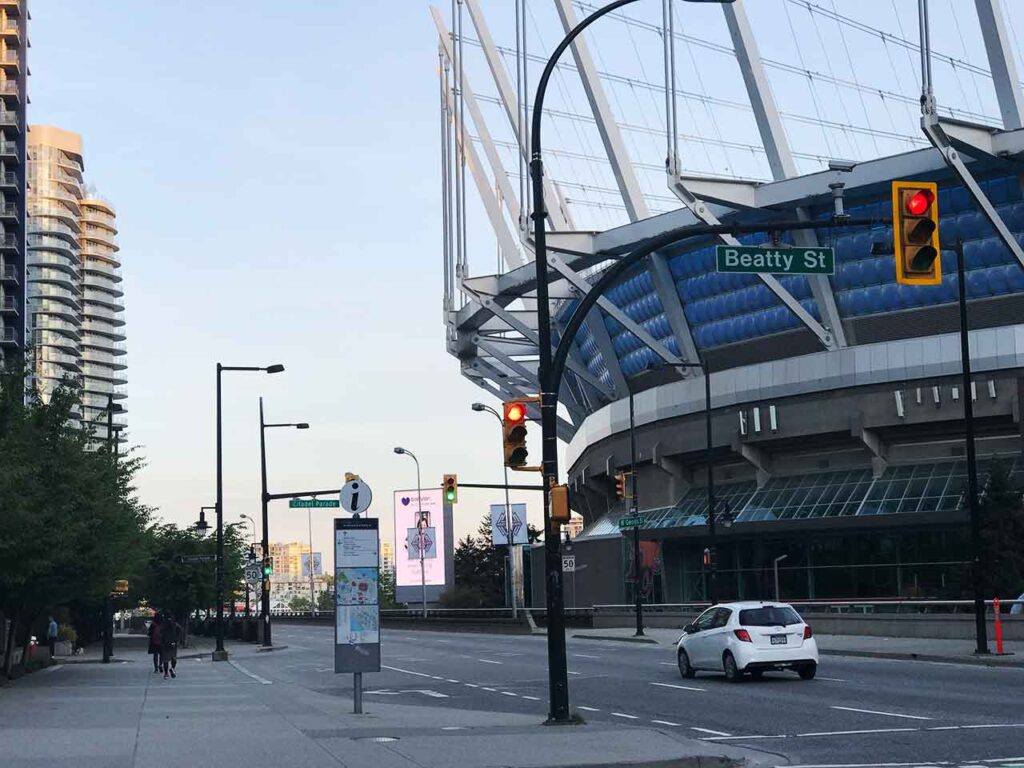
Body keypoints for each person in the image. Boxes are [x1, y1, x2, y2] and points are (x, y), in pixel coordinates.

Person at [159, 612, 181, 680]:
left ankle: (166, 673)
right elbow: (180, 631)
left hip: (166, 644)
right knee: (173, 658)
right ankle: (172, 669)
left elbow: (160, 633)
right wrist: (176, 640)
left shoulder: (163, 625)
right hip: (172, 643)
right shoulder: (175, 624)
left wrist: (162, 641)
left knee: (166, 659)